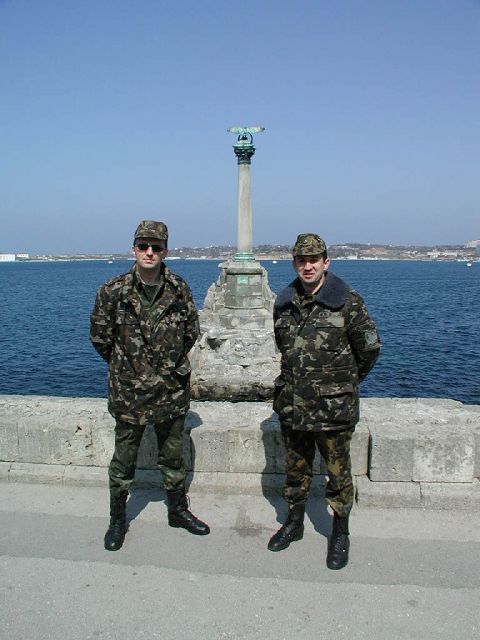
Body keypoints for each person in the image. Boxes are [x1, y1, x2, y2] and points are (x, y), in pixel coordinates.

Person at [90, 220, 210, 551]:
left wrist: (165, 367)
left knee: (172, 458)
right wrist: (129, 368)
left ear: (165, 252)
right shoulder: (113, 291)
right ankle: (117, 519)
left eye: (156, 247)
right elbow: (100, 338)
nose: (149, 252)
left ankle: (178, 510)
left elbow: (190, 332)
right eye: (143, 246)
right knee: (123, 461)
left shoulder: (179, 289)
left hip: (170, 391)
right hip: (129, 393)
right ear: (134, 249)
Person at [268, 233, 380, 569]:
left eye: (313, 260)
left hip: (334, 409)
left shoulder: (348, 302)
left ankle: (340, 532)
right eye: (301, 261)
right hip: (294, 405)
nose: (308, 266)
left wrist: (341, 385)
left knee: (338, 475)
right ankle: (294, 523)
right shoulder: (284, 303)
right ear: (294, 264)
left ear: (325, 263)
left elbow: (368, 350)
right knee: (295, 471)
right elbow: (285, 348)